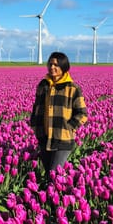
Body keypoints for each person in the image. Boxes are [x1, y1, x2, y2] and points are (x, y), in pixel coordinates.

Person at [30, 51, 88, 180]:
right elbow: (36, 107)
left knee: (54, 175)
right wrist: (34, 123)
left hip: (62, 138)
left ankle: (62, 196)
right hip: (44, 136)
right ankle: (51, 196)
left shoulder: (72, 88)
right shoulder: (43, 85)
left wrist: (69, 126)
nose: (52, 67)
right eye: (50, 64)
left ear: (64, 67)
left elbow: (82, 113)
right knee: (49, 175)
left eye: (56, 65)